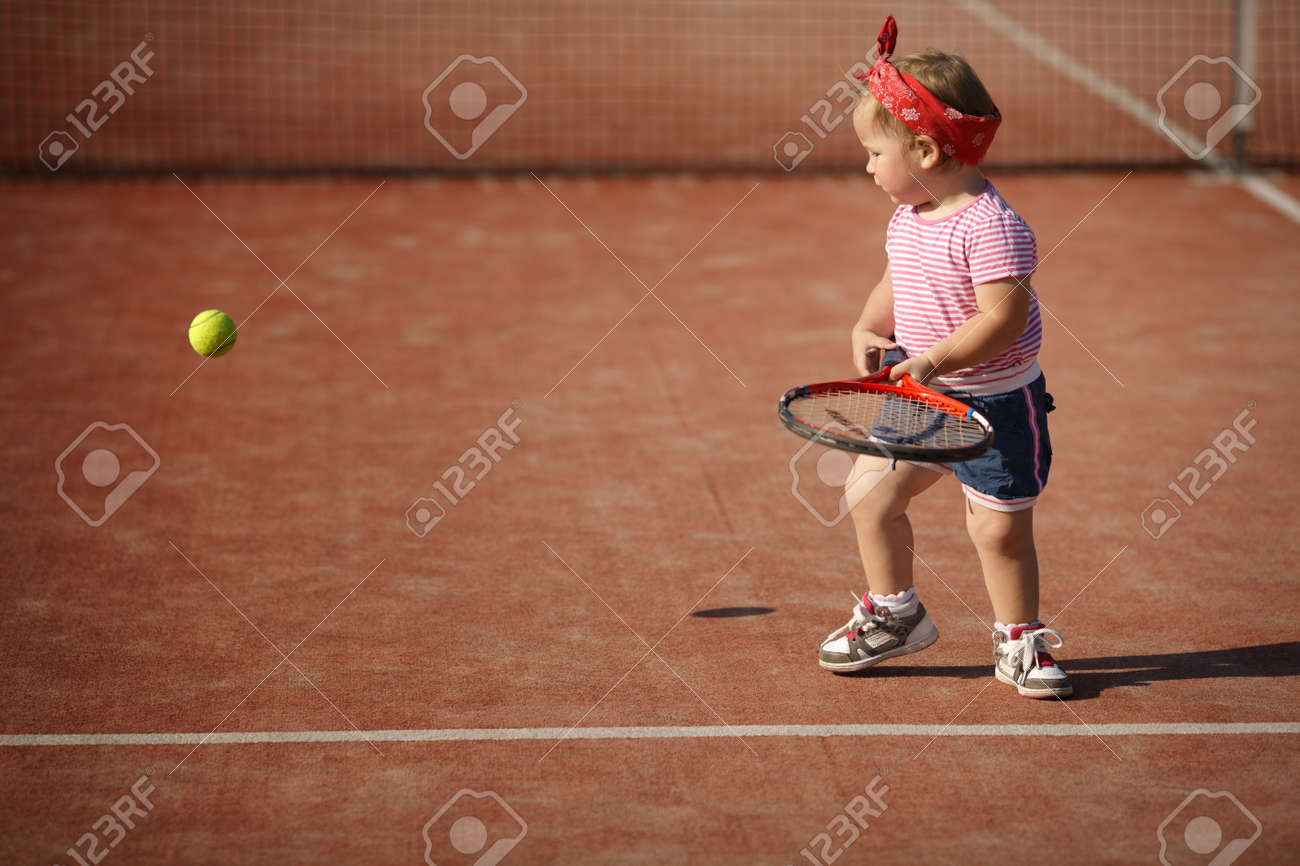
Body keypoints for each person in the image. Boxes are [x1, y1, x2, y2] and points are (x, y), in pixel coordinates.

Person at [817, 16, 1071, 698]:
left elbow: (1003, 318)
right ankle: (896, 614)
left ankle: (1019, 640)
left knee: (996, 531)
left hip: (994, 402)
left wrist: (929, 361)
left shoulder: (993, 226)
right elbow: (897, 279)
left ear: (925, 152)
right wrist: (869, 325)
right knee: (868, 496)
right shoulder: (911, 215)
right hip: (922, 398)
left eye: (875, 152)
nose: (868, 166)